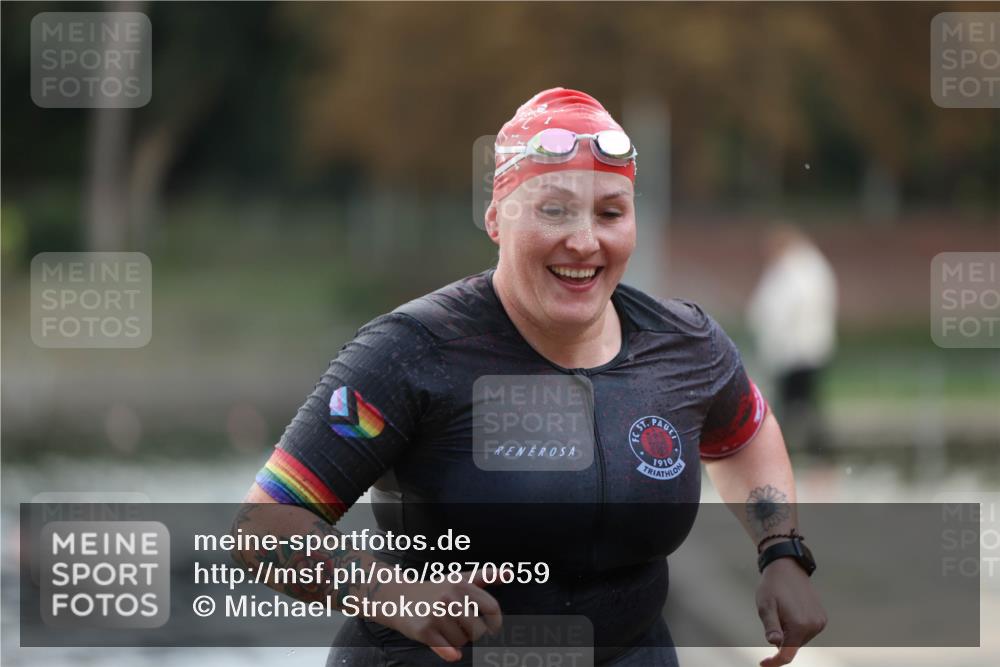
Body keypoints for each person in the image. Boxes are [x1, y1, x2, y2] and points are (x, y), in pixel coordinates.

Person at [234, 88, 826, 666]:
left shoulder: (683, 344)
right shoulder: (410, 353)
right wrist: (392, 595)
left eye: (610, 213)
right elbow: (262, 528)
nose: (585, 240)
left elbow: (745, 433)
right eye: (553, 210)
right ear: (496, 217)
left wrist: (781, 553)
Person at [747, 224, 838, 455]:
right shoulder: (812, 267)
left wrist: (774, 341)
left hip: (795, 353)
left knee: (791, 408)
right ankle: (814, 457)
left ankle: (793, 456)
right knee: (803, 406)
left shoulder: (795, 270)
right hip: (808, 350)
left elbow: (780, 309)